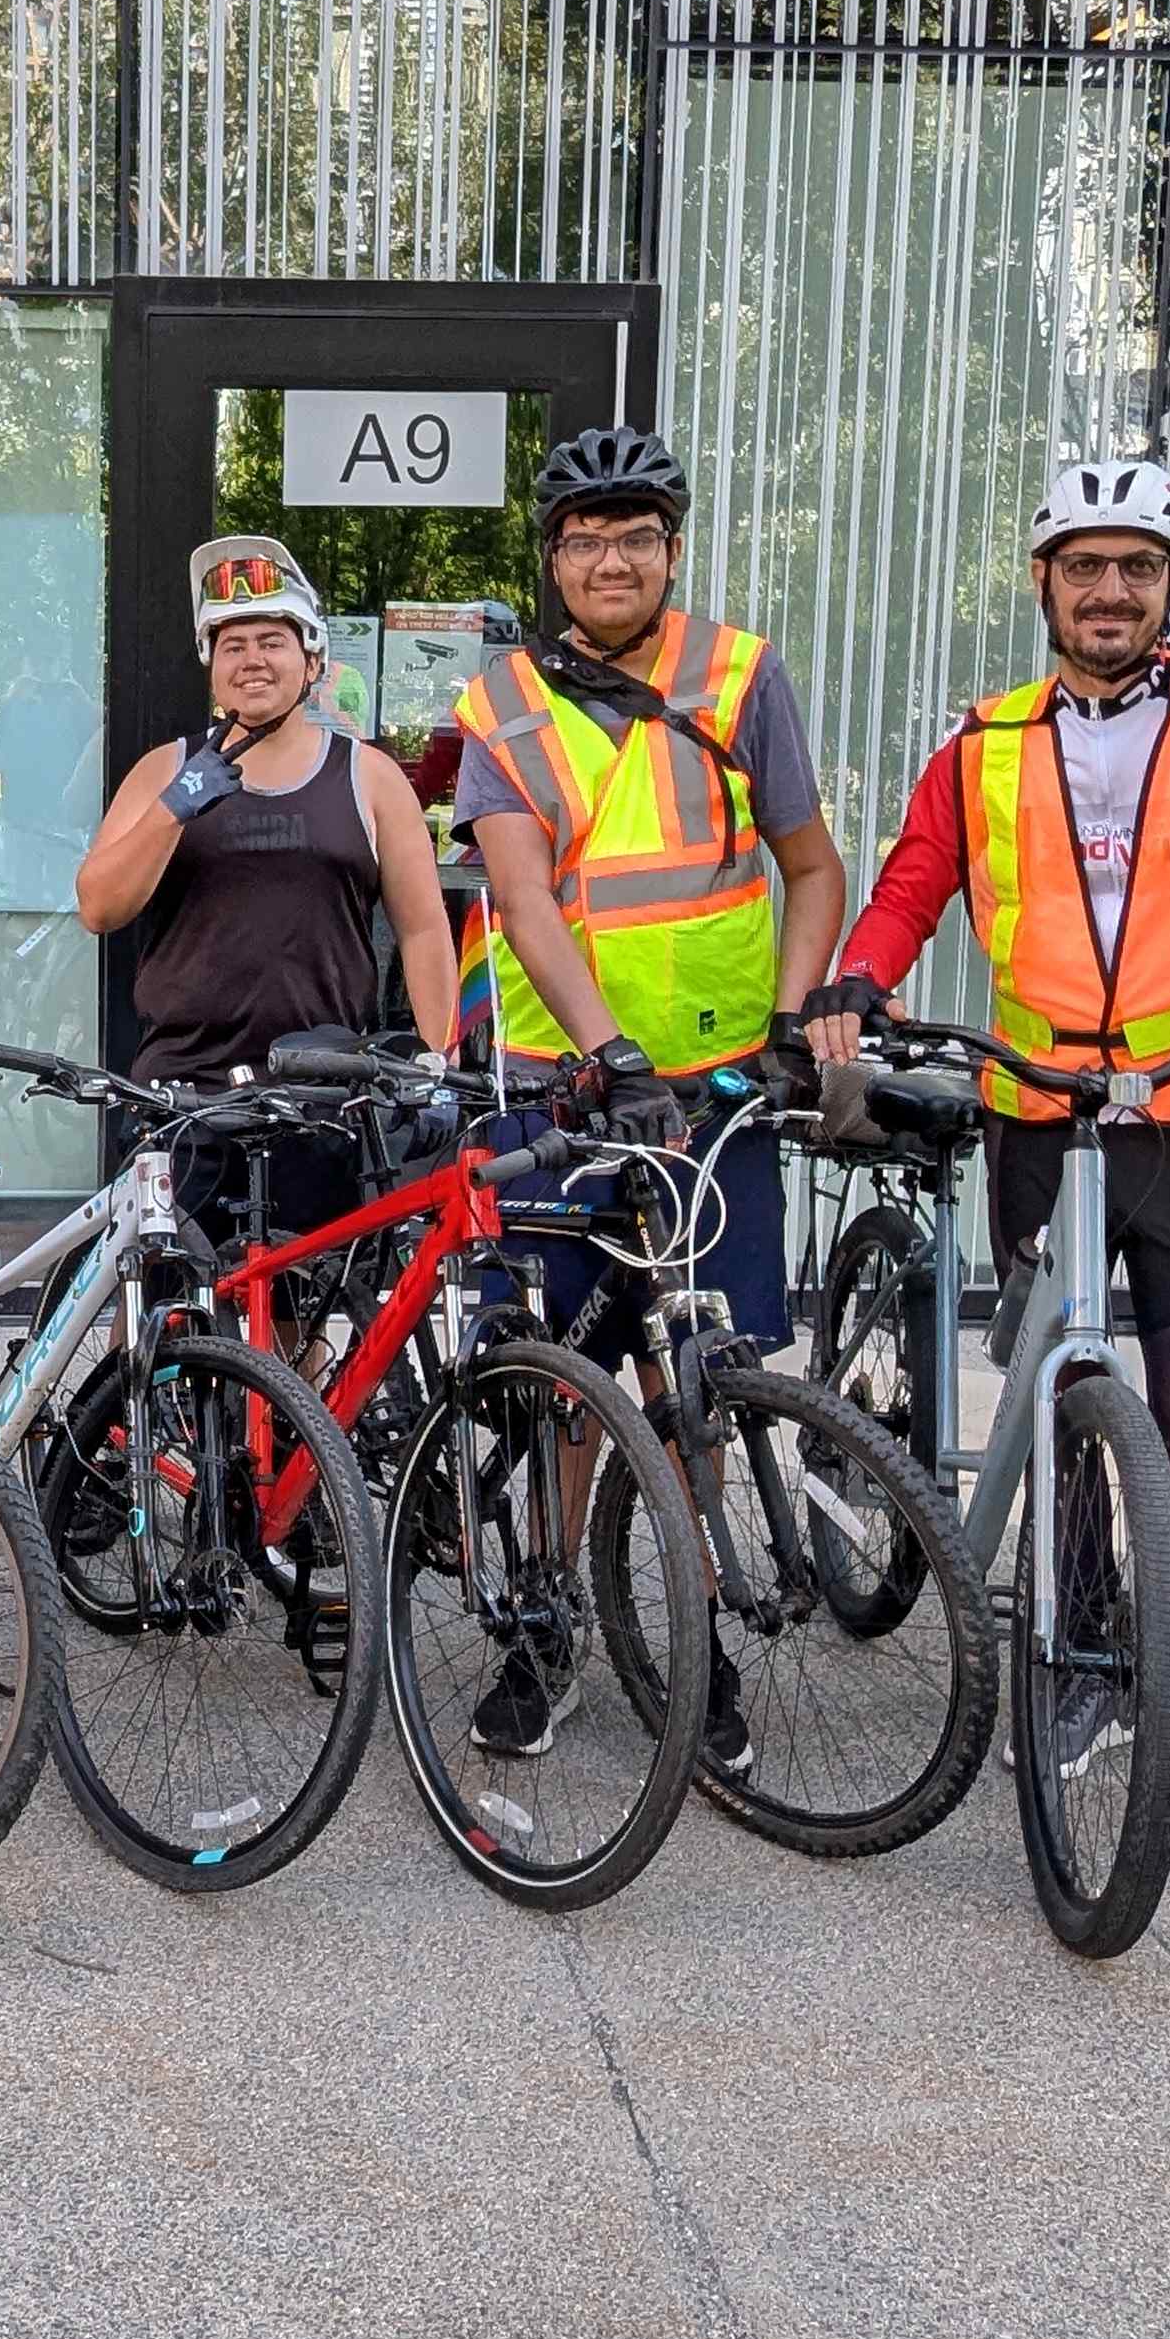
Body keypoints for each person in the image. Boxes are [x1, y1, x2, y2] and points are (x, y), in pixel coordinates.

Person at [817, 458, 1170, 1878]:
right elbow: (910, 884)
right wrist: (860, 983)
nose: (1110, 590)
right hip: (1040, 1115)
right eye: (1085, 564)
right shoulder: (986, 739)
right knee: (1068, 1402)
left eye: (1138, 566)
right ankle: (1080, 1663)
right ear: (1043, 582)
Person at [446, 425, 852, 1761]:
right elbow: (520, 896)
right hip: (567, 1088)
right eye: (584, 539)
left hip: (717, 1093)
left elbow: (812, 867)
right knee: (567, 1379)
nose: (609, 560)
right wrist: (604, 1047)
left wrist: (795, 1020)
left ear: (672, 551)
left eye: (635, 537)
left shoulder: (740, 675)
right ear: (552, 559)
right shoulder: (503, 702)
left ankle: (695, 1638)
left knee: (701, 1384)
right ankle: (550, 1624)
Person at [74, 534, 459, 1240]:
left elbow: (425, 929)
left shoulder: (368, 776)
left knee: (295, 1315)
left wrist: (437, 1063)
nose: (253, 659)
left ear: (311, 659)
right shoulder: (165, 770)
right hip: (181, 1093)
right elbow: (99, 907)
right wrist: (174, 808)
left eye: (273, 641)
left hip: (323, 1092)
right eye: (233, 644)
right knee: (162, 1308)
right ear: (211, 668)